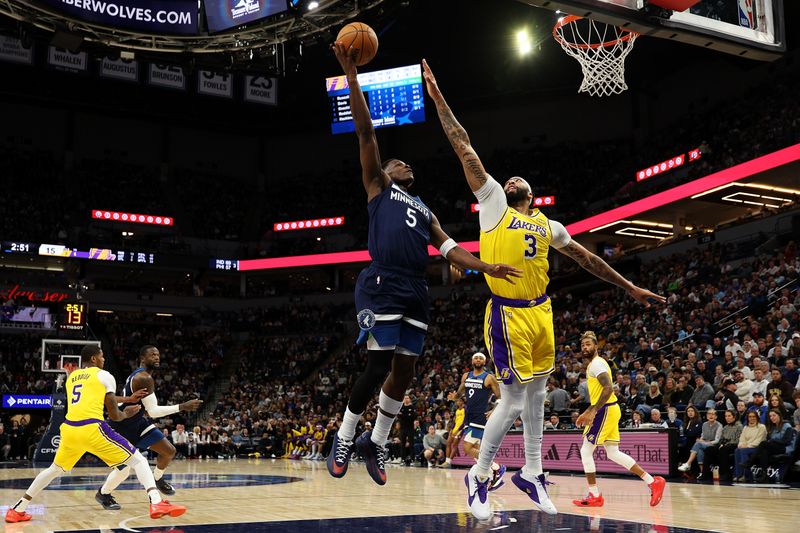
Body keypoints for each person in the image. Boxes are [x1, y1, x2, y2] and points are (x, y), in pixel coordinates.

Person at [422, 59, 665, 520]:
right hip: (508, 312)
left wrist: (630, 287)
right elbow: (464, 147)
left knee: (534, 397)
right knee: (513, 398)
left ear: (532, 193)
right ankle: (479, 473)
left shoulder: (549, 225)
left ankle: (532, 473)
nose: (510, 178)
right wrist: (438, 98)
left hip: (542, 312)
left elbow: (588, 259)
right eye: (507, 177)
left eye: (519, 179)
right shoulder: (494, 201)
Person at [326, 43, 521, 487]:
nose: (404, 162)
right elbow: (366, 135)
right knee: (377, 366)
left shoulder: (425, 210)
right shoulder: (377, 186)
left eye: (405, 162)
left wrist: (485, 267)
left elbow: (451, 249)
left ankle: (375, 442)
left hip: (415, 288)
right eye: (399, 162)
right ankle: (343, 435)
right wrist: (351, 77)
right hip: (381, 283)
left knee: (405, 371)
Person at [5, 345, 186, 523]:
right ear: (93, 358)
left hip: (69, 430)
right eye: (101, 356)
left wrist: (127, 399)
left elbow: (95, 396)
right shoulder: (105, 375)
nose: (104, 359)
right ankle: (156, 502)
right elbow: (115, 414)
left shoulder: (72, 377)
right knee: (139, 461)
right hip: (92, 428)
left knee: (54, 470)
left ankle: (18, 509)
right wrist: (127, 412)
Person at [95, 345, 203, 510]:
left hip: (137, 422)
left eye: (158, 354)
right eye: (153, 355)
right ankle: (104, 493)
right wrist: (182, 406)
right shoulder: (143, 378)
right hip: (121, 427)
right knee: (123, 471)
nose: (157, 357)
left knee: (169, 451)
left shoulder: (144, 376)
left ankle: (157, 478)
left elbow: (148, 410)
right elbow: (153, 411)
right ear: (142, 358)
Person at [572, 332, 666, 507]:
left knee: (586, 451)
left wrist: (592, 410)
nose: (585, 347)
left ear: (596, 346)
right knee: (613, 453)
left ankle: (595, 495)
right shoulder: (594, 364)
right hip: (609, 409)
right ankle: (653, 482)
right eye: (582, 345)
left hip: (605, 409)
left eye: (588, 344)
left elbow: (608, 389)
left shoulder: (597, 364)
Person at [447, 353, 505, 488]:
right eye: (476, 358)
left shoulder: (489, 378)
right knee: (476, 449)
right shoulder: (466, 376)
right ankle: (491, 475)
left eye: (481, 358)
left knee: (467, 447)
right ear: (472, 360)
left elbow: (500, 398)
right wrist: (454, 397)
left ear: (484, 362)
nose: (478, 360)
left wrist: (493, 411)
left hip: (480, 417)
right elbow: (459, 394)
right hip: (469, 416)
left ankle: (496, 468)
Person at [750, 409, 796, 483]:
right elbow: (770, 440)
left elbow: (786, 441)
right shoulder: (773, 428)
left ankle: (750, 462)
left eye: (774, 415)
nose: (772, 418)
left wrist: (773, 441)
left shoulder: (787, 426)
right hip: (776, 447)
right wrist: (772, 442)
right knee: (764, 452)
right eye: (770, 416)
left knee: (763, 443)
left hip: (785, 448)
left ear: (779, 416)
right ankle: (765, 476)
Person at [678, 409, 722, 479]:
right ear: (707, 416)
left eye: (713, 414)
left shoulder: (719, 425)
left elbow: (717, 440)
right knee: (699, 450)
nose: (711, 416)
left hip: (713, 445)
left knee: (698, 444)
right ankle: (702, 473)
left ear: (716, 416)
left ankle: (688, 463)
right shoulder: (704, 424)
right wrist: (701, 439)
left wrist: (704, 442)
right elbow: (703, 436)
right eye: (709, 414)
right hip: (704, 443)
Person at [702, 410, 742, 481]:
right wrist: (721, 444)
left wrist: (724, 445)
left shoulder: (739, 426)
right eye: (726, 416)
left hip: (734, 445)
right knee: (709, 449)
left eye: (729, 416)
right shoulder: (726, 427)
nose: (727, 418)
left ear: (734, 417)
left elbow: (737, 440)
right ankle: (705, 474)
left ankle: (724, 474)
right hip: (723, 445)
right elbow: (721, 439)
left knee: (724, 449)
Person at [734, 410, 766, 482]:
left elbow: (759, 441)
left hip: (757, 448)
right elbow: (742, 439)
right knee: (737, 450)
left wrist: (747, 446)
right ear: (747, 418)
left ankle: (747, 475)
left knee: (743, 451)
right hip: (746, 447)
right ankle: (738, 475)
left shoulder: (762, 427)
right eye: (750, 417)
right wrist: (741, 445)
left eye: (754, 416)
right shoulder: (746, 427)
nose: (752, 418)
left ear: (757, 417)